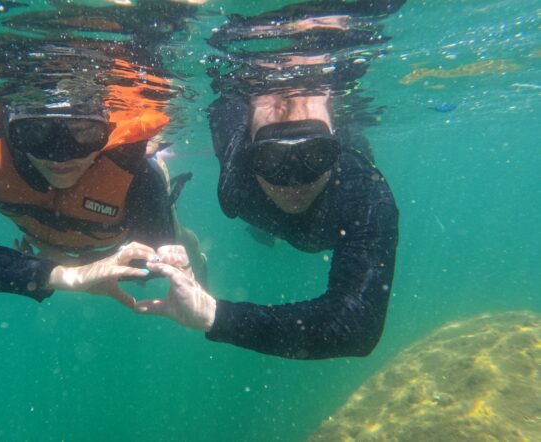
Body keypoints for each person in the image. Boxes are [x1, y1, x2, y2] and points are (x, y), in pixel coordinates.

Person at [135, 0, 403, 360]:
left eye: (315, 156)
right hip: (266, 216)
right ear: (250, 155)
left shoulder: (364, 196)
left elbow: (356, 328)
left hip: (314, 223)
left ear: (334, 152)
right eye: (271, 159)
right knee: (263, 223)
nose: (294, 181)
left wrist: (215, 315)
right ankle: (268, 228)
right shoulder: (237, 174)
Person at [0, 2, 205, 307]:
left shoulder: (134, 170)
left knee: (175, 239)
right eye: (35, 133)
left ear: (106, 133)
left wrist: (71, 263)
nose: (60, 156)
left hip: (110, 239)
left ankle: (187, 236)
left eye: (84, 133)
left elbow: (153, 265)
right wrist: (59, 274)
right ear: (12, 131)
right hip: (58, 244)